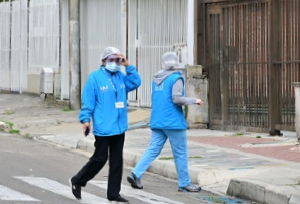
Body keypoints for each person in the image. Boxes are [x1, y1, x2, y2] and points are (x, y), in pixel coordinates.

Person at [71, 47, 141, 203]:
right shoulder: (94, 78)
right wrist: (85, 120)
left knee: (117, 161)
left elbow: (136, 82)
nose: (115, 63)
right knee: (100, 158)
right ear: (103, 61)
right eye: (111, 60)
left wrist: (128, 65)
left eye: (117, 60)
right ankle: (78, 180)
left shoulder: (121, 76)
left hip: (119, 127)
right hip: (103, 127)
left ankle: (113, 194)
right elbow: (88, 102)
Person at [126, 52, 202, 194]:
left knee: (152, 150)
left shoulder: (156, 79)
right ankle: (184, 183)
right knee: (180, 153)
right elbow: (177, 99)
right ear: (176, 63)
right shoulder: (176, 78)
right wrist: (194, 100)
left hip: (157, 121)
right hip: (173, 122)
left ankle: (136, 174)